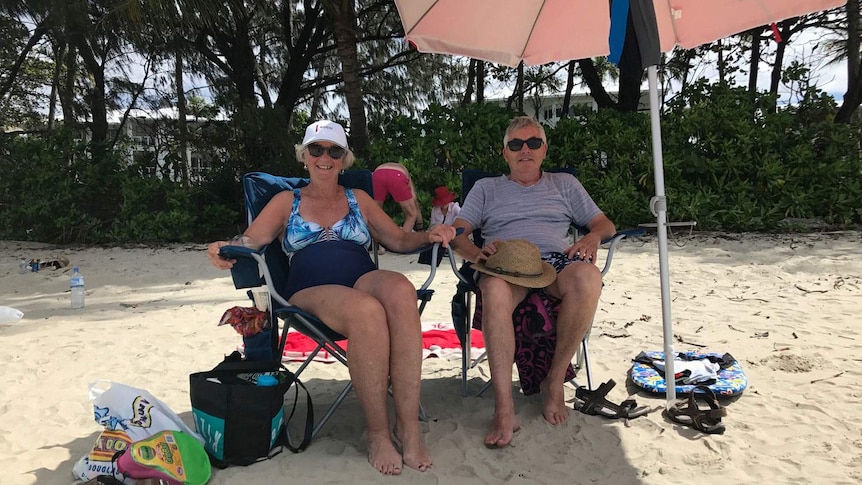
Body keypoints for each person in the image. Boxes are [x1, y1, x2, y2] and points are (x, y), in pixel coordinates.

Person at [207, 120, 456, 475]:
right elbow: (251, 240)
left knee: (401, 290)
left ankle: (409, 427)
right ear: (304, 156)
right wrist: (223, 248)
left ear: (344, 159)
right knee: (366, 311)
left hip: (361, 278)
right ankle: (378, 433)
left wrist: (430, 235)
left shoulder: (359, 199)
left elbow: (398, 240)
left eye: (334, 151)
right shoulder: (285, 201)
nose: (325, 157)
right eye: (317, 149)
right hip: (310, 290)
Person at [450, 115, 616, 448]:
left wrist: (592, 239)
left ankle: (554, 381)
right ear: (505, 153)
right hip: (505, 266)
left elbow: (604, 224)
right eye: (516, 144)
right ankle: (504, 406)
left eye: (533, 143)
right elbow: (457, 233)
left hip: (554, 263)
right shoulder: (486, 188)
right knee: (494, 291)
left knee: (587, 277)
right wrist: (475, 253)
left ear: (544, 149)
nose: (524, 150)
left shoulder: (565, 185)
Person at [372, 162, 425, 233]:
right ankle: (402, 242)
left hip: (378, 173)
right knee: (411, 214)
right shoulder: (407, 177)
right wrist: (420, 226)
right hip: (397, 175)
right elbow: (414, 201)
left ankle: (375, 240)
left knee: (376, 212)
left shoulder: (389, 166)